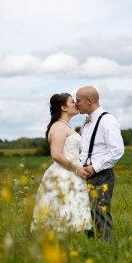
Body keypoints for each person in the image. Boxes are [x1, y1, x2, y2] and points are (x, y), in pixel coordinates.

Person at [31, 93, 92, 232]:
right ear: (63, 107)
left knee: (73, 210)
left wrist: (86, 125)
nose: (76, 103)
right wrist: (77, 169)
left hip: (71, 173)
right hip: (63, 174)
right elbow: (56, 155)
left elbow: (70, 145)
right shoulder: (58, 126)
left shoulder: (65, 126)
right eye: (72, 102)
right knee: (62, 211)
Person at [76, 86, 124, 241]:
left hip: (101, 175)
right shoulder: (85, 123)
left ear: (89, 101)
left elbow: (117, 150)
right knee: (84, 216)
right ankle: (90, 249)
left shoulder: (108, 120)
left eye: (78, 100)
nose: (76, 104)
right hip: (84, 174)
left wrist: (94, 167)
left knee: (100, 214)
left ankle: (108, 250)